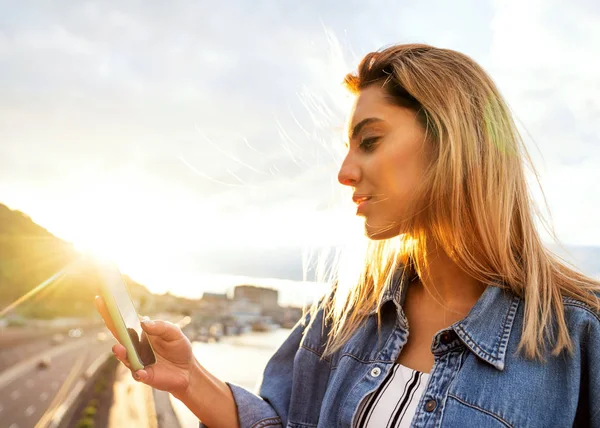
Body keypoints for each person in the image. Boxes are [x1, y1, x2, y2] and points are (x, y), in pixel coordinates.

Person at [95, 43, 600, 427]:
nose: (344, 171)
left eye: (370, 141)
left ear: (453, 141)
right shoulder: (342, 316)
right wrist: (192, 379)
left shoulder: (580, 338)